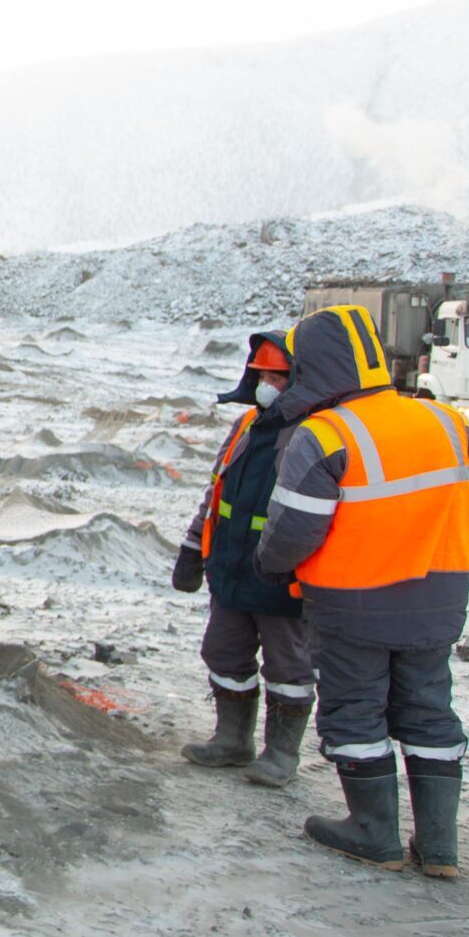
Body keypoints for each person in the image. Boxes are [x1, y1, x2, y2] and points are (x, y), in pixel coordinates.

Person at [257, 304, 469, 877]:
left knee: (357, 710)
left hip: (352, 599)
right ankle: (439, 848)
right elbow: (466, 468)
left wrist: (269, 566)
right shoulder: (446, 419)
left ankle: (373, 831)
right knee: (430, 709)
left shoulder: (325, 434)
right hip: (439, 596)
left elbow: (292, 529)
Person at [171, 332, 315, 787]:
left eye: (277, 376)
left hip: (283, 579)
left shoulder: (313, 434)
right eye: (262, 375)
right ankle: (232, 740)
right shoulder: (246, 427)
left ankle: (282, 754)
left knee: (288, 669)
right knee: (223, 653)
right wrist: (194, 548)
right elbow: (216, 493)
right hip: (231, 570)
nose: (267, 384)